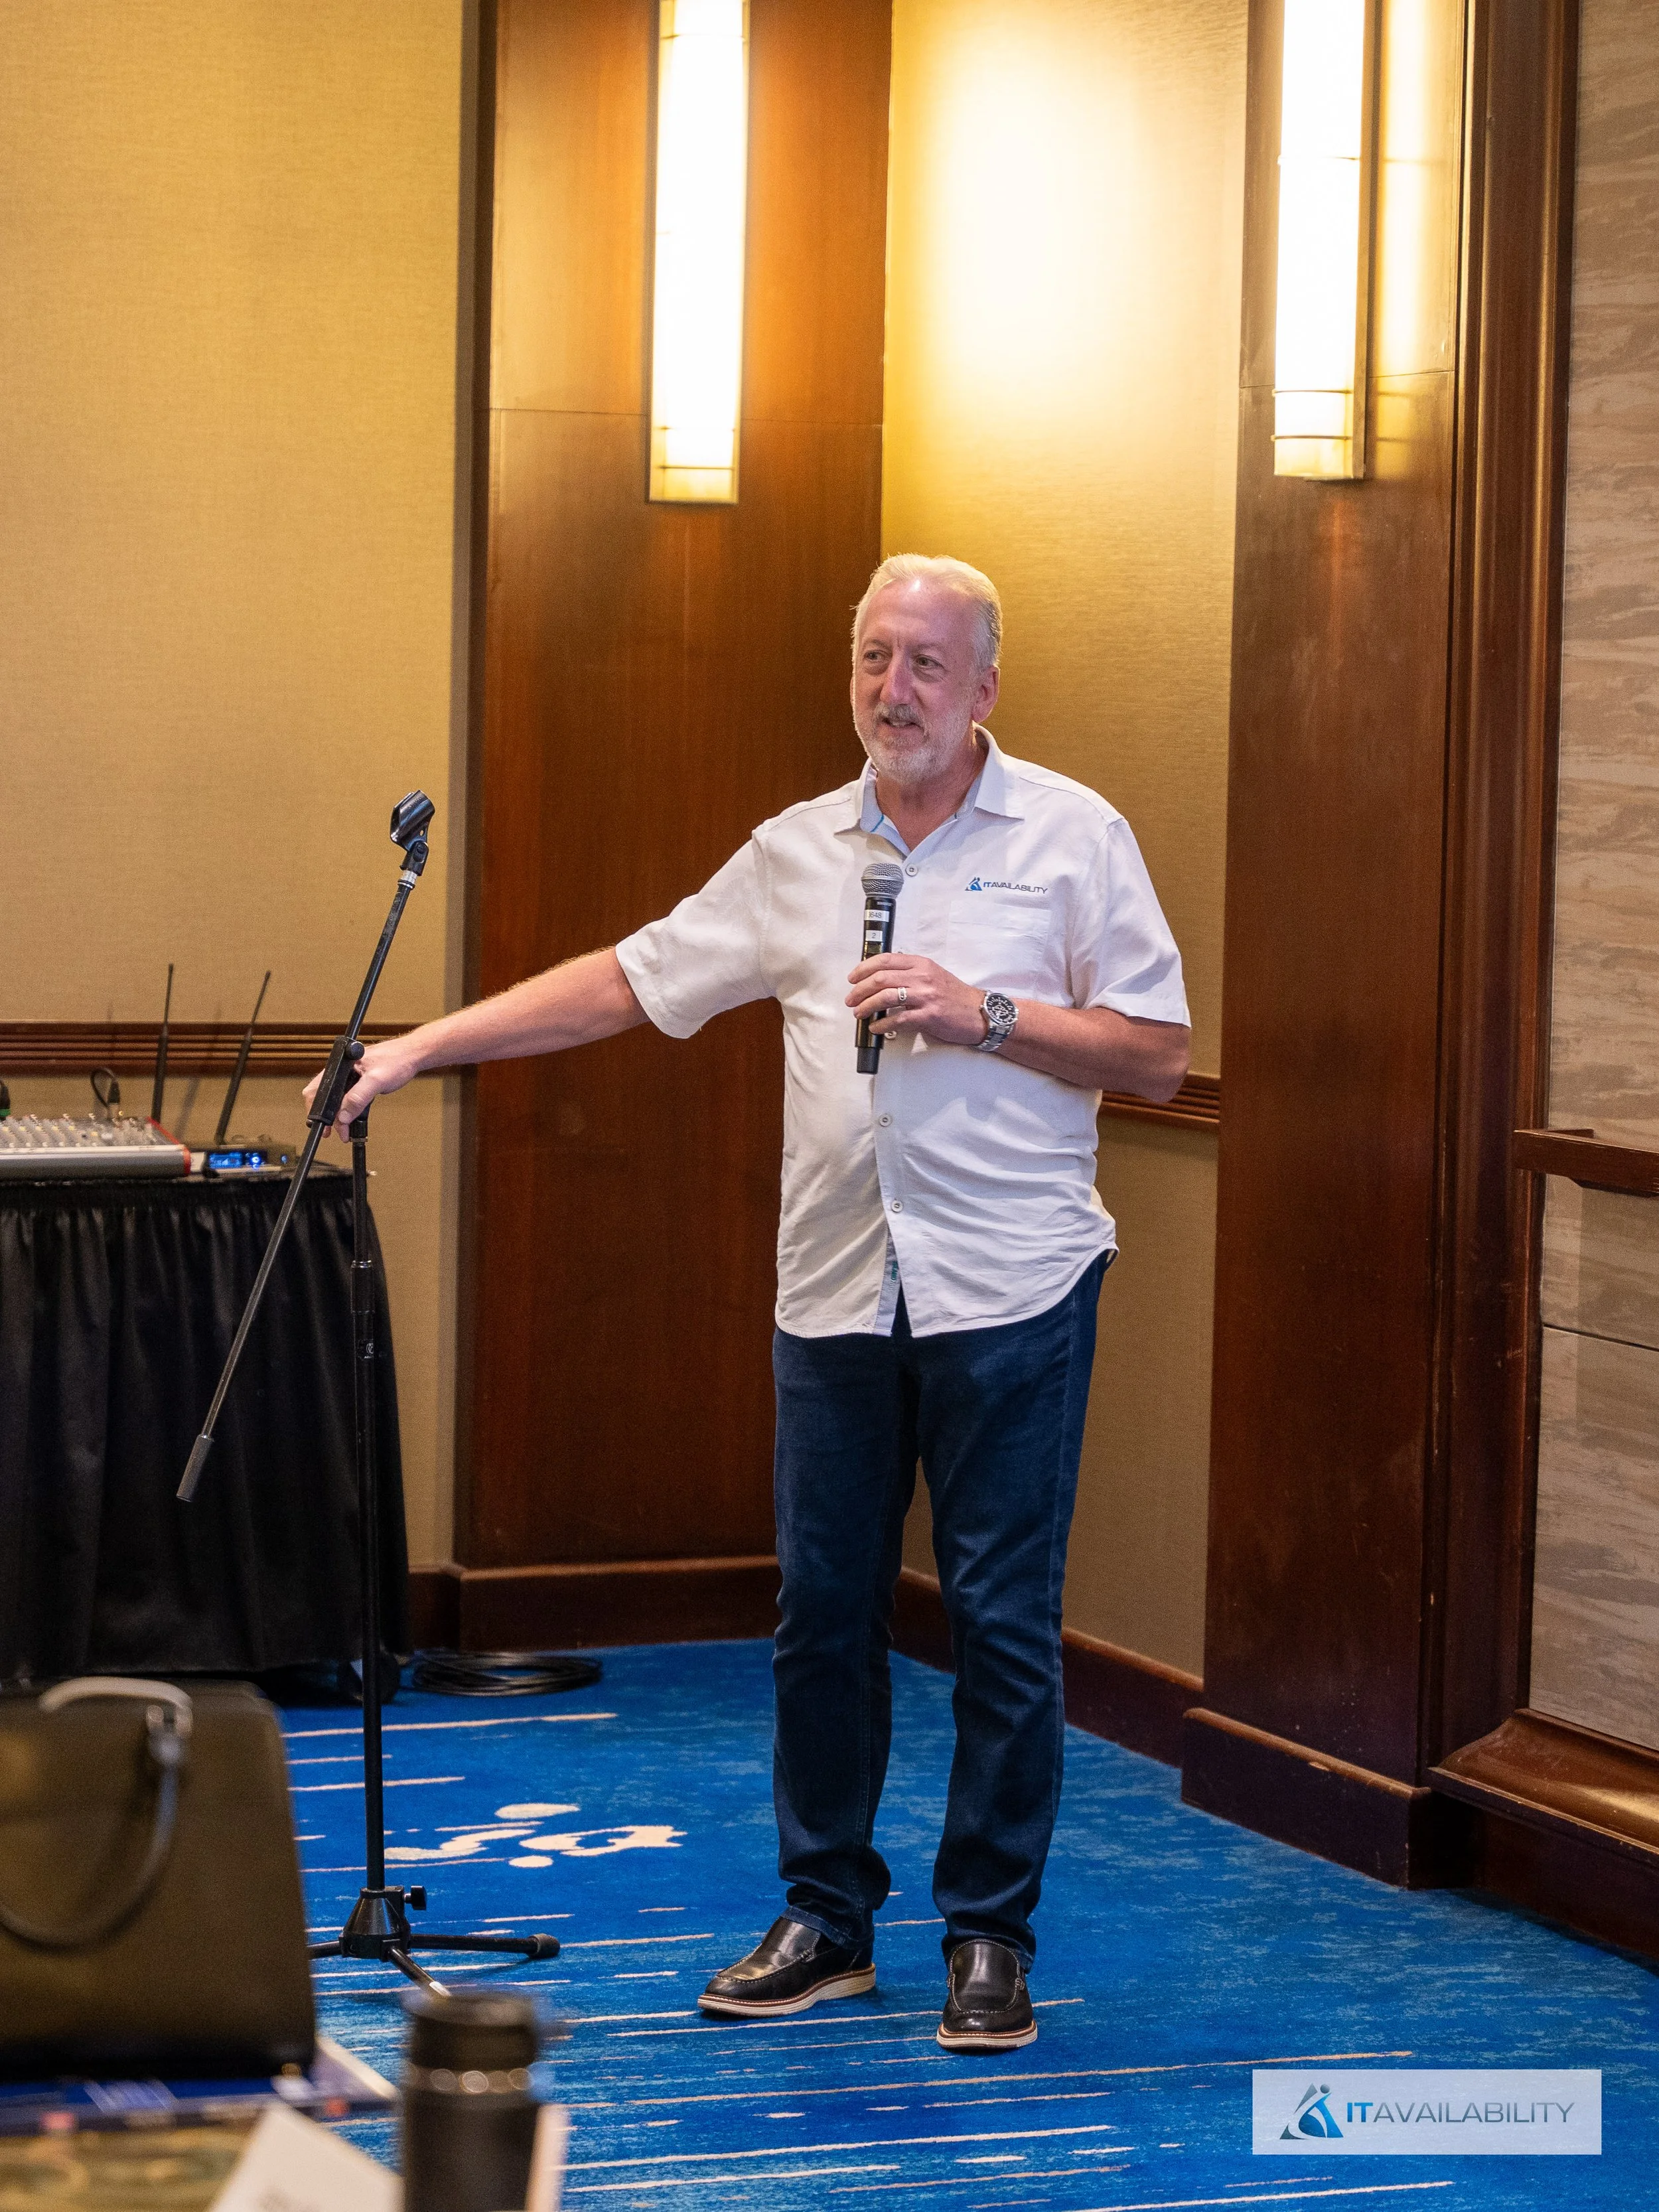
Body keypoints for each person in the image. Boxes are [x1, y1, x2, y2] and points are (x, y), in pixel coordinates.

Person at [308, 553, 1190, 2054]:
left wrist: (977, 1010)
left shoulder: (1071, 835)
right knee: (820, 1620)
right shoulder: (796, 853)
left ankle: (987, 1933)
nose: (891, 690)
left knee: (1000, 1626)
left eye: (923, 664)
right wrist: (417, 1047)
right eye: (870, 659)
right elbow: (626, 980)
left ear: (984, 686)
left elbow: (1156, 1054)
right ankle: (825, 1917)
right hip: (839, 1289)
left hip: (1014, 1290)